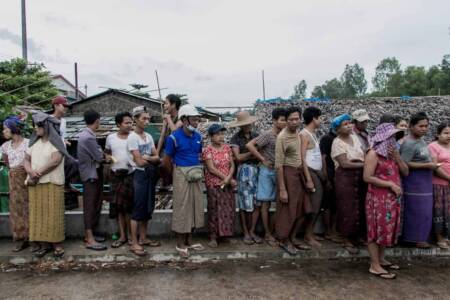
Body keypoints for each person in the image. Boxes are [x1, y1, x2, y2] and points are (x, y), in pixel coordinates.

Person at [363, 123, 409, 280]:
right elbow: (367, 177)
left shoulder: (392, 154)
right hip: (378, 199)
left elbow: (405, 172)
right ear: (384, 138)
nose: (394, 140)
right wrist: (390, 184)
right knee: (375, 230)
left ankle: (381, 259)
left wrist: (398, 157)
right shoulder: (373, 154)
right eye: (391, 137)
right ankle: (374, 265)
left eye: (395, 137)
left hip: (391, 199)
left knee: (386, 229)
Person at [23, 113, 69, 258]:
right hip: (36, 183)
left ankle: (56, 244)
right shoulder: (34, 142)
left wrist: (37, 173)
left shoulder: (57, 142)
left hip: (52, 183)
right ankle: (44, 244)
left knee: (53, 214)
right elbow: (26, 160)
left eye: (38, 126)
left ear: (46, 126)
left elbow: (55, 161)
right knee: (39, 215)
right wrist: (30, 172)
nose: (36, 129)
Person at [163, 104, 205, 257]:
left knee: (195, 206)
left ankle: (189, 241)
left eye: (197, 120)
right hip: (181, 174)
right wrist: (175, 174)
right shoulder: (173, 138)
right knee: (182, 208)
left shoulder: (198, 137)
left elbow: (198, 155)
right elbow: (166, 161)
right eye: (194, 119)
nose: (196, 122)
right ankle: (180, 243)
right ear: (184, 120)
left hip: (196, 173)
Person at [246, 107, 286, 247]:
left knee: (278, 203)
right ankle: (268, 234)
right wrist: (262, 159)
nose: (284, 123)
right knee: (264, 204)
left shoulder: (285, 135)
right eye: (282, 120)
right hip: (267, 171)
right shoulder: (268, 135)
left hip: (279, 171)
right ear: (274, 121)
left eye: (285, 120)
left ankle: (273, 232)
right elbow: (250, 145)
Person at [400, 112, 441, 248]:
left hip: (425, 182)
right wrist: (427, 165)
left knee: (425, 210)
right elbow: (404, 163)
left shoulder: (421, 140)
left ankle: (422, 237)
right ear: (411, 126)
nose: (424, 128)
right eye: (420, 126)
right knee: (415, 210)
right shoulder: (409, 144)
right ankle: (413, 238)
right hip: (414, 182)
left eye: (426, 126)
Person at [274, 106, 311, 255]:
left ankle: (293, 237)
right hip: (287, 174)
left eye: (297, 119)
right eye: (291, 119)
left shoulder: (299, 134)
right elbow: (279, 165)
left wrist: (308, 178)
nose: (294, 122)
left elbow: (302, 158)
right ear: (286, 121)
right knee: (288, 210)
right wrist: (282, 189)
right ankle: (284, 240)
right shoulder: (282, 137)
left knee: (302, 209)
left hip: (299, 174)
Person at [128, 106, 161, 256]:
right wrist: (150, 159)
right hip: (139, 175)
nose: (147, 121)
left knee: (148, 207)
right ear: (135, 119)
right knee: (138, 209)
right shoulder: (132, 137)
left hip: (149, 174)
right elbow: (139, 162)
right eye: (144, 118)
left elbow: (157, 157)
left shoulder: (147, 136)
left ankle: (143, 238)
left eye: (148, 118)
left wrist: (148, 158)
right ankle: (134, 242)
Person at [331, 114, 366, 254]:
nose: (349, 126)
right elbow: (344, 163)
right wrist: (366, 165)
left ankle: (357, 236)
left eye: (350, 123)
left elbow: (362, 153)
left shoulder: (355, 138)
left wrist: (364, 164)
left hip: (359, 176)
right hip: (345, 178)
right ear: (337, 129)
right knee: (347, 207)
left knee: (360, 205)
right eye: (345, 124)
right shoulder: (337, 142)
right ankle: (346, 239)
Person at [203, 124, 237, 248]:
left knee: (228, 210)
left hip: (227, 184)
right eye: (217, 134)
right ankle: (213, 236)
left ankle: (226, 235)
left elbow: (232, 165)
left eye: (222, 134)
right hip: (214, 184)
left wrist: (228, 178)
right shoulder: (207, 150)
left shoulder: (227, 148)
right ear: (211, 136)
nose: (220, 136)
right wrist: (226, 178)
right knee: (214, 210)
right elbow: (211, 168)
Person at [77, 110, 107, 251]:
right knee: (90, 206)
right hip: (91, 175)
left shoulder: (85, 134)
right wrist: (106, 156)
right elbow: (99, 157)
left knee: (94, 204)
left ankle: (90, 234)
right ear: (96, 121)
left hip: (90, 174)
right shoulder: (88, 137)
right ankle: (89, 238)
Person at [229, 111, 260, 245]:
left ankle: (252, 230)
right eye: (245, 124)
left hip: (257, 170)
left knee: (257, 202)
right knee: (244, 203)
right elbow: (238, 158)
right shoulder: (235, 139)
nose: (248, 126)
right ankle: (246, 232)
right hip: (244, 171)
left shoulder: (256, 135)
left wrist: (247, 153)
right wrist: (253, 152)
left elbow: (259, 153)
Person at [105, 112, 134, 248]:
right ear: (118, 124)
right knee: (118, 208)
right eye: (126, 123)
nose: (129, 125)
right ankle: (122, 236)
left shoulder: (134, 137)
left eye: (131, 122)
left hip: (130, 176)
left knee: (129, 208)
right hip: (116, 176)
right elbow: (107, 153)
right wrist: (108, 158)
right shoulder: (111, 138)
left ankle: (131, 237)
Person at [1, 116, 30, 252]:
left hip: (27, 180)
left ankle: (32, 236)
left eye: (5, 129)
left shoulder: (28, 143)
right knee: (16, 209)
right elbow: (7, 163)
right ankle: (21, 238)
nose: (3, 132)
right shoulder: (5, 146)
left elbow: (31, 162)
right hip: (14, 182)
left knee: (29, 207)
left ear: (13, 129)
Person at [300, 106, 325, 248]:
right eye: (320, 117)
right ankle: (307, 235)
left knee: (318, 205)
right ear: (314, 118)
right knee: (314, 206)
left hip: (316, 172)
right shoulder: (304, 135)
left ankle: (310, 233)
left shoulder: (312, 133)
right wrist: (308, 178)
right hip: (310, 172)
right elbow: (303, 158)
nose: (321, 120)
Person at [428, 122, 450, 249]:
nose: (448, 136)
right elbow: (435, 167)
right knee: (439, 211)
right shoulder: (432, 146)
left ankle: (447, 236)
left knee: (448, 211)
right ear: (438, 134)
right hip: (439, 184)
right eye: (446, 133)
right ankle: (439, 238)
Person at [319, 127, 342, 243]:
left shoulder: (338, 138)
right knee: (328, 204)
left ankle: (332, 230)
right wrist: (326, 177)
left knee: (335, 204)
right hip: (330, 173)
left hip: (336, 174)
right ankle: (329, 231)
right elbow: (323, 157)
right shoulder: (327, 138)